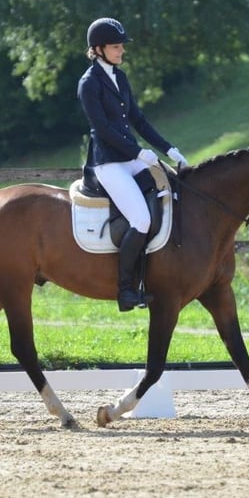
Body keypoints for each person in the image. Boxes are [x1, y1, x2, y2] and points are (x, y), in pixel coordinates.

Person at [77, 17, 188, 312]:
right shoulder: (89, 84)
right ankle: (126, 290)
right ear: (98, 49)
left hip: (130, 159)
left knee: (174, 187)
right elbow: (103, 129)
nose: (121, 51)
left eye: (121, 46)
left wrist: (169, 149)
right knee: (141, 220)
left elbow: (138, 120)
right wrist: (139, 154)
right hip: (109, 164)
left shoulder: (120, 78)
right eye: (116, 47)